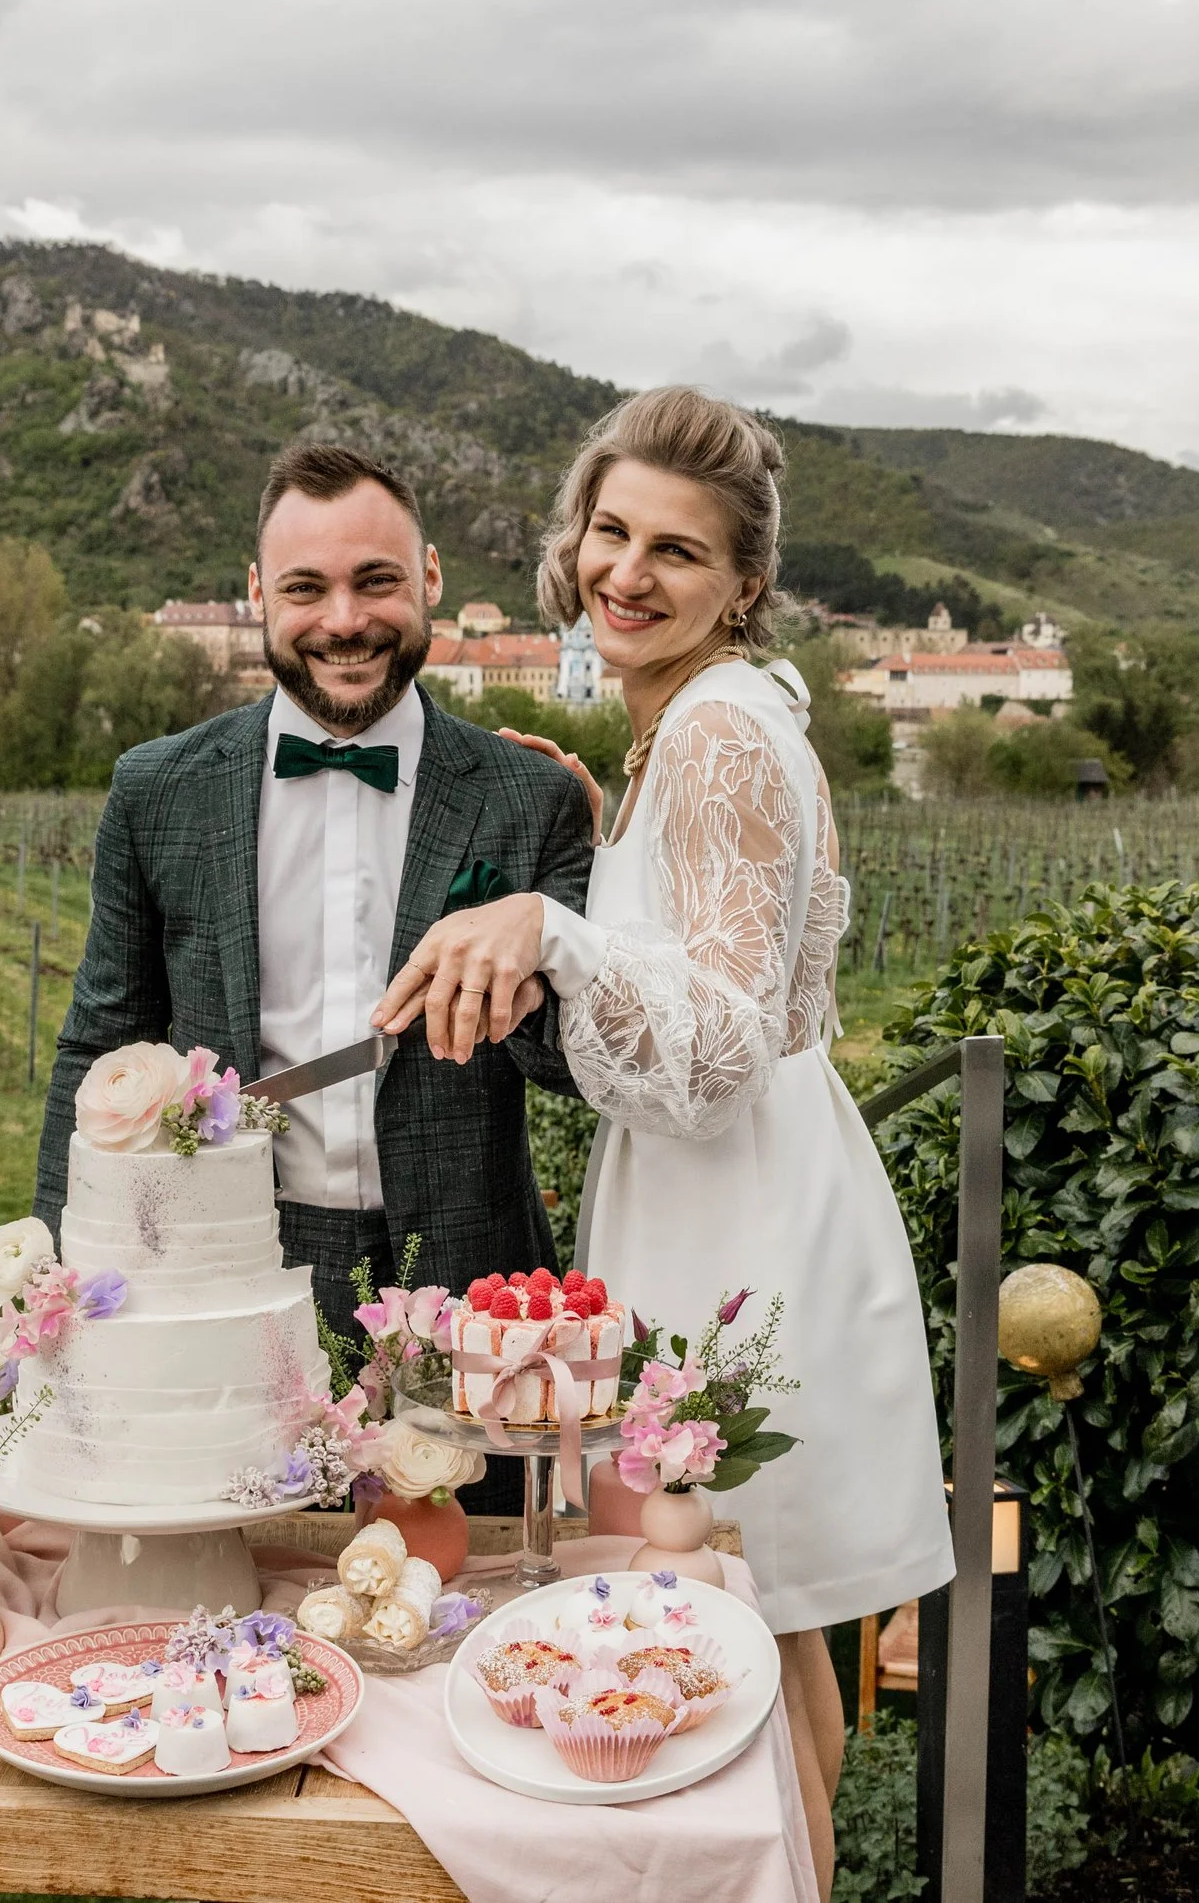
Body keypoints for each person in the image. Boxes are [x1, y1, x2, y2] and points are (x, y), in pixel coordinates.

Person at [373, 387, 955, 1885]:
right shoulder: (694, 728)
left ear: (743, 584)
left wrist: (554, 925)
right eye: (611, 532)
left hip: (742, 1224)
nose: (626, 573)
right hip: (730, 1195)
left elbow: (725, 1040)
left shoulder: (716, 738)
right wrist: (604, 847)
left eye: (677, 552)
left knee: (738, 1635)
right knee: (766, 1636)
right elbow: (717, 947)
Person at [35, 442, 596, 1349]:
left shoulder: (534, 796)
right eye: (305, 588)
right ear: (258, 593)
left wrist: (541, 956)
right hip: (222, 1274)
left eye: (376, 581)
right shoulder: (157, 790)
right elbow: (100, 1044)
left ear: (430, 578)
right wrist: (56, 1277)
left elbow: (576, 1066)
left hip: (479, 1289)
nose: (344, 621)